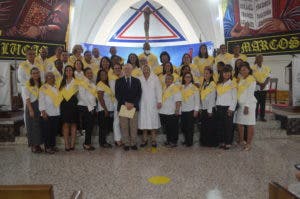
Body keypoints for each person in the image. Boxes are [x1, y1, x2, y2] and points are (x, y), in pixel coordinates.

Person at [115, 64, 142, 151]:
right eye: (125, 69)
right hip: (123, 106)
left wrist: (133, 103)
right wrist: (125, 103)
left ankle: (133, 143)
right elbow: (117, 95)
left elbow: (139, 94)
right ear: (123, 70)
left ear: (131, 70)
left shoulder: (137, 81)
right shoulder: (118, 81)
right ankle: (126, 143)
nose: (127, 70)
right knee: (124, 126)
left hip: (134, 107)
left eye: (129, 69)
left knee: (133, 126)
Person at [138, 65, 162, 148]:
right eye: (144, 69)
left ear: (150, 69)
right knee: (144, 122)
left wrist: (159, 101)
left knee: (153, 122)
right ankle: (144, 140)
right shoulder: (139, 78)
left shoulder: (155, 78)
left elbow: (159, 90)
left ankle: (153, 140)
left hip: (153, 103)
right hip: (142, 103)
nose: (146, 70)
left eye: (147, 69)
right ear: (142, 70)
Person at [39, 72, 62, 154]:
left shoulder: (56, 87)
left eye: (52, 77)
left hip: (56, 113)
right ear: (46, 79)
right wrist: (43, 112)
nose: (51, 78)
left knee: (54, 131)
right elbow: (41, 101)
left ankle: (52, 145)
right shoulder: (43, 88)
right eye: (49, 77)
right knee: (47, 131)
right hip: (47, 113)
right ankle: (47, 147)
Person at [236, 62, 257, 151]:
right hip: (240, 105)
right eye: (241, 70)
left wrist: (247, 106)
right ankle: (241, 140)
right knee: (239, 123)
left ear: (249, 69)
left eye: (244, 69)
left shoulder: (251, 79)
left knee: (249, 124)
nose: (242, 71)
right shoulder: (241, 79)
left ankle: (248, 144)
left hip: (249, 105)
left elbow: (250, 94)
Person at [216, 65, 237, 150]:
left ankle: (228, 142)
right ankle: (222, 141)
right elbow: (217, 96)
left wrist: (231, 109)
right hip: (219, 106)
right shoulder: (219, 84)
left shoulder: (232, 84)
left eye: (228, 72)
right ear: (222, 73)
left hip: (228, 108)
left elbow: (235, 98)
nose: (226, 74)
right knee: (220, 125)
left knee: (228, 126)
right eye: (225, 72)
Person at [59, 66, 79, 151]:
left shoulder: (77, 82)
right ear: (64, 72)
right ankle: (66, 144)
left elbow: (78, 94)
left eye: (70, 70)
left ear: (73, 71)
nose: (68, 71)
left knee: (74, 124)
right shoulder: (61, 82)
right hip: (64, 105)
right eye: (66, 70)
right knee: (66, 124)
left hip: (74, 104)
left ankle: (72, 144)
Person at [24, 67, 43, 153]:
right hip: (31, 106)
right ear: (31, 74)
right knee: (31, 126)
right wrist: (31, 110)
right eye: (34, 73)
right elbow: (27, 99)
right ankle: (33, 145)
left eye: (37, 73)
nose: (36, 74)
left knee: (38, 126)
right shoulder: (28, 84)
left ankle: (38, 144)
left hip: (39, 106)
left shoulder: (40, 83)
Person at [159, 74, 182, 148]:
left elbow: (178, 100)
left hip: (172, 112)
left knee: (173, 128)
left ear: (172, 80)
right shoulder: (164, 87)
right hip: (164, 111)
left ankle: (173, 142)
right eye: (166, 79)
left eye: (169, 79)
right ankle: (168, 140)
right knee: (167, 128)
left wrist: (177, 109)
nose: (167, 80)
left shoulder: (175, 88)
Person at [78, 67, 97, 150]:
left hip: (92, 107)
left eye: (91, 73)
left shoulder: (92, 84)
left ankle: (87, 143)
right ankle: (86, 144)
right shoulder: (82, 83)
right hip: (85, 107)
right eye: (88, 73)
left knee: (90, 126)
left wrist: (93, 106)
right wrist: (90, 108)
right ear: (84, 74)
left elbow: (93, 96)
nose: (90, 74)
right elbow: (82, 96)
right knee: (88, 126)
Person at [200, 67, 218, 147]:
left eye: (207, 73)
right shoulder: (204, 84)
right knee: (205, 126)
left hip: (209, 109)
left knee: (210, 127)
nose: (205, 75)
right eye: (204, 73)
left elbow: (212, 97)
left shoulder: (212, 84)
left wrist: (210, 110)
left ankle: (211, 142)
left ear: (211, 74)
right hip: (204, 108)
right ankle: (205, 141)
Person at [96, 70, 114, 148]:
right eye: (102, 74)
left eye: (105, 74)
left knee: (106, 126)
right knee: (103, 127)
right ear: (99, 76)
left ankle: (104, 141)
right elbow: (100, 98)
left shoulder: (106, 84)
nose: (104, 76)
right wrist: (105, 109)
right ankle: (102, 142)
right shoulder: (100, 85)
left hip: (109, 108)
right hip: (103, 110)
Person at [181, 72, 199, 147]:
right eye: (186, 77)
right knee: (184, 127)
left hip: (191, 110)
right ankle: (186, 140)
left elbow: (197, 100)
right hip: (183, 110)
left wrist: (196, 110)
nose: (187, 78)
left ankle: (190, 142)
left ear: (191, 78)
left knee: (190, 127)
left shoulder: (194, 88)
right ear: (184, 78)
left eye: (189, 77)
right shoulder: (181, 87)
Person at [252, 54, 271, 122]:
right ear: (256, 59)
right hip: (256, 88)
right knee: (256, 103)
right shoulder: (252, 68)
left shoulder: (266, 67)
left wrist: (264, 84)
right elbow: (252, 78)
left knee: (263, 103)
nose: (259, 59)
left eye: (261, 58)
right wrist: (259, 84)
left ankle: (262, 117)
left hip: (264, 88)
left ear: (262, 59)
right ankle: (255, 117)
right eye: (258, 58)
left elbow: (268, 77)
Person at [109, 63, 123, 146]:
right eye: (115, 68)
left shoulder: (122, 78)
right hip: (117, 102)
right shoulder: (112, 79)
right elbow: (115, 93)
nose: (117, 69)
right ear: (113, 70)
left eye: (119, 68)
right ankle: (117, 139)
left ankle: (122, 138)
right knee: (117, 121)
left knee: (123, 121)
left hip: (124, 102)